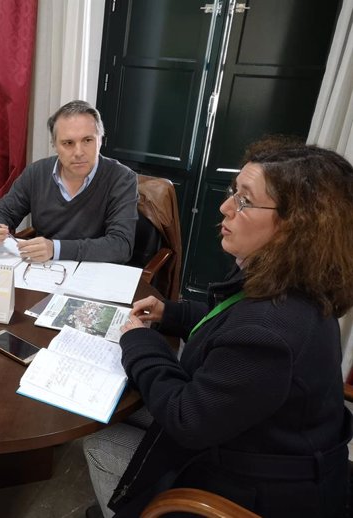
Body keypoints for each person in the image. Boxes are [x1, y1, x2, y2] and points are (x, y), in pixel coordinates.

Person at [84, 141, 353, 517]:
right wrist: (172, 313)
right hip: (255, 436)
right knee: (115, 405)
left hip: (255, 488)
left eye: (245, 201)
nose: (225, 207)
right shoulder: (288, 279)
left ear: (298, 225)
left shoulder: (272, 330)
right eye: (233, 192)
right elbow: (229, 320)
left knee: (99, 439)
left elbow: (186, 419)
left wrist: (139, 342)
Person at [0, 100, 138, 264]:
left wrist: (55, 249)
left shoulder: (122, 179)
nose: (79, 152)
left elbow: (121, 246)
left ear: (100, 140)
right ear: (54, 145)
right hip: (45, 272)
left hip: (95, 276)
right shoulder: (36, 173)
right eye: (68, 143)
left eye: (87, 140)